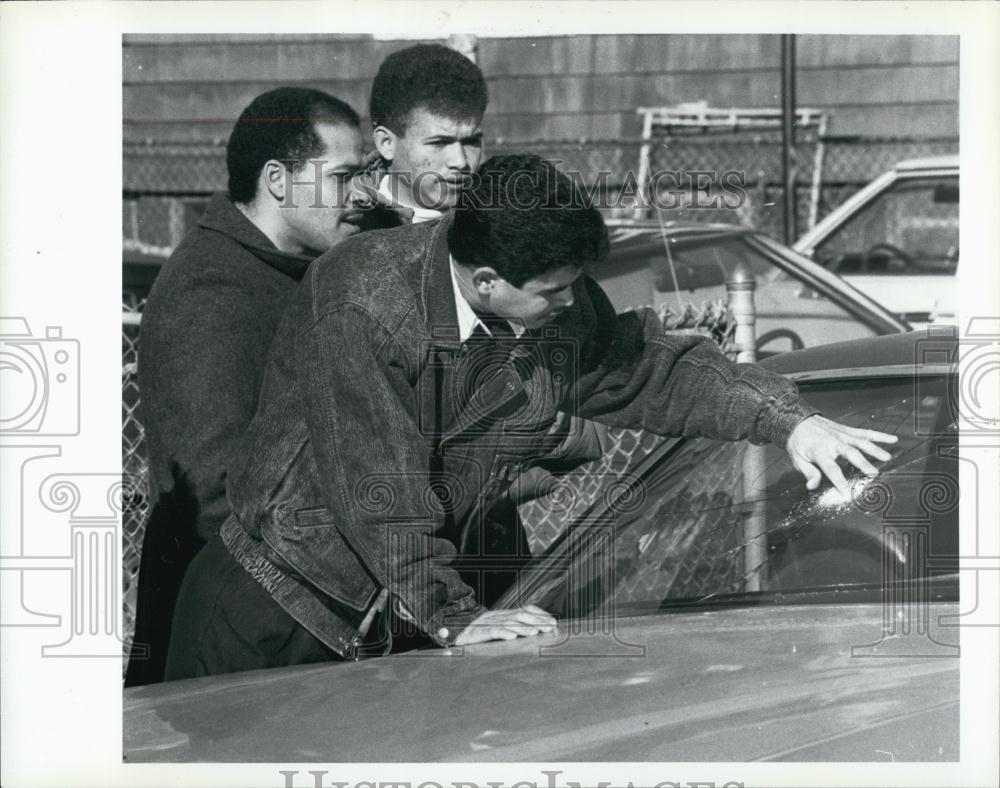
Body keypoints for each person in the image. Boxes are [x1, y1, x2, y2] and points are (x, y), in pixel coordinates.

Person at [164, 154, 897, 680]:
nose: (572, 304)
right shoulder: (362, 303)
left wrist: (787, 420)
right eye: (554, 290)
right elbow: (376, 484)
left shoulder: (548, 307)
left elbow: (651, 369)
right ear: (485, 281)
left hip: (392, 620)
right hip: (271, 613)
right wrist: (454, 614)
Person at [126, 87, 366, 686]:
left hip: (290, 627)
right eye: (342, 178)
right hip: (231, 642)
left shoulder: (299, 268)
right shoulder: (211, 293)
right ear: (278, 180)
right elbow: (218, 496)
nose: (361, 195)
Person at [354, 43, 487, 227]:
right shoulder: (350, 227)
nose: (460, 162)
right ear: (386, 143)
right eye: (439, 143)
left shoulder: (501, 220)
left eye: (471, 141)